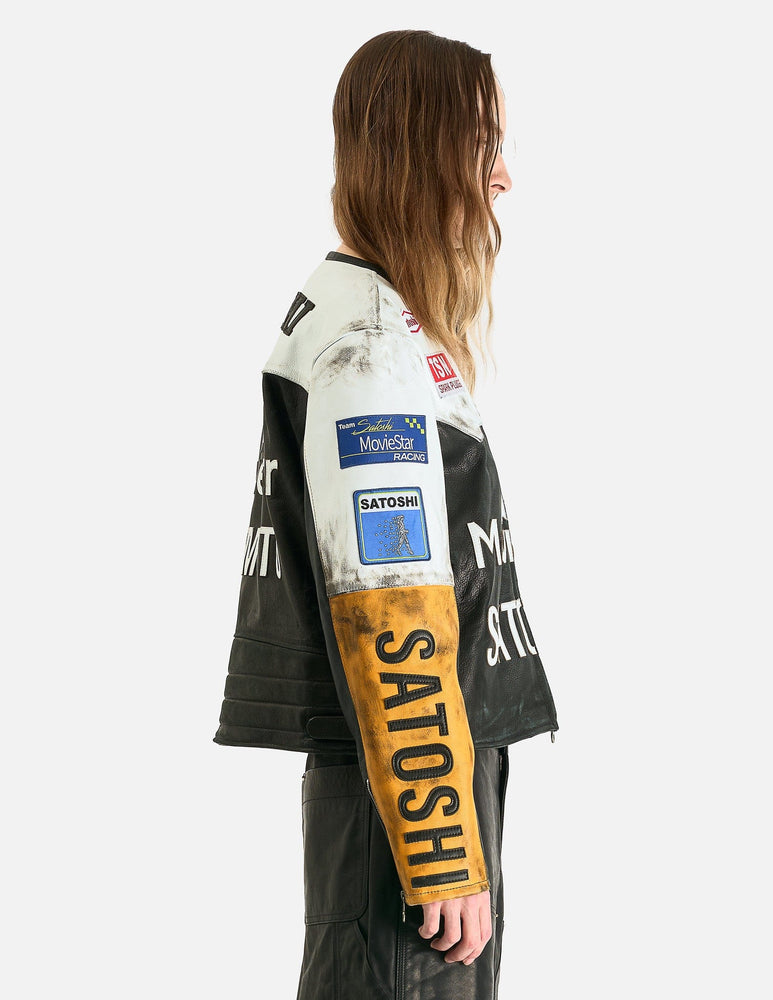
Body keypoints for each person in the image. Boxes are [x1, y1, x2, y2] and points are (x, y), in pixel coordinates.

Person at [213, 28, 559, 999]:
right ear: (419, 152)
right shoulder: (369, 348)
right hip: (406, 801)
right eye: (481, 145)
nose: (501, 177)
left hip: (409, 784)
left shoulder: (378, 323)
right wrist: (441, 846)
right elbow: (389, 605)